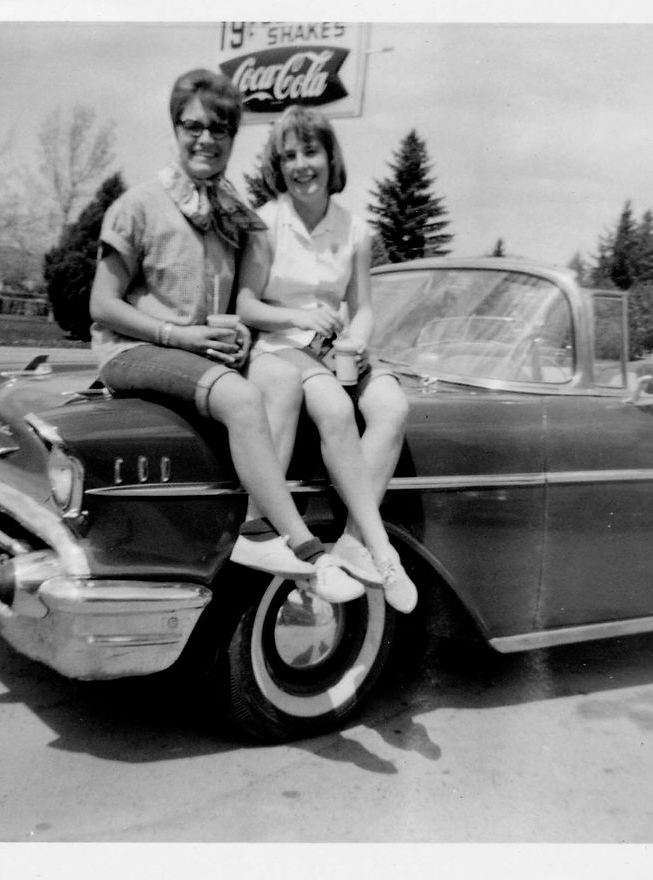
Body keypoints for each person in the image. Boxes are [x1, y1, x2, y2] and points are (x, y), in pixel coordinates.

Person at [89, 69, 371, 602]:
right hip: (131, 349)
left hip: (193, 356)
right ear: (175, 129)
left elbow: (231, 306)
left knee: (282, 382)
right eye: (193, 126)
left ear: (232, 137)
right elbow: (101, 305)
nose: (206, 139)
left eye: (220, 129)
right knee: (241, 397)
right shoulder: (140, 205)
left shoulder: (227, 213)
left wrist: (235, 332)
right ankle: (288, 538)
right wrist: (180, 335)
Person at [237, 105, 418, 613]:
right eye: (289, 155)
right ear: (279, 165)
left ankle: (356, 543)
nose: (301, 165)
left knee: (391, 407)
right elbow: (246, 306)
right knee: (336, 411)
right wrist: (297, 316)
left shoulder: (355, 229)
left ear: (329, 157)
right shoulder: (265, 223)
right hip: (279, 348)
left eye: (310, 151)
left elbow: (361, 309)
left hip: (333, 351)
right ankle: (385, 553)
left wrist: (355, 341)